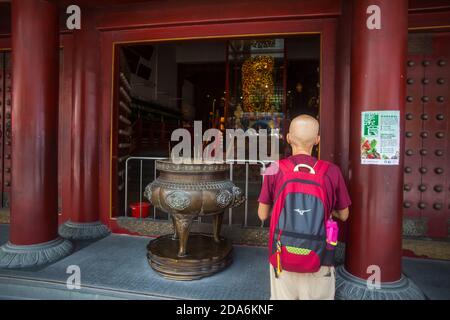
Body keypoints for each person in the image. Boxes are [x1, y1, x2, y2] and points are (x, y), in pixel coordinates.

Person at [258, 114, 351, 300]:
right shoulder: (331, 171)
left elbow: (262, 214)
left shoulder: (274, 168)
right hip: (321, 257)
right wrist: (326, 208)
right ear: (317, 140)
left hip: (282, 255)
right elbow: (344, 215)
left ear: (288, 137)